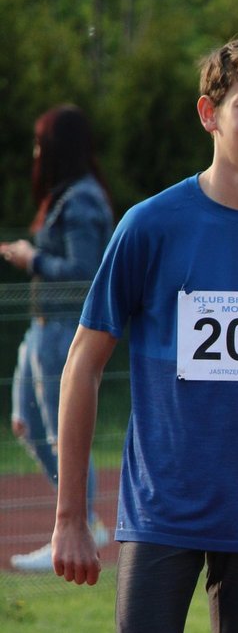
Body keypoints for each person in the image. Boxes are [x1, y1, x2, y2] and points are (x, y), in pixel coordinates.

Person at [52, 38, 238, 633]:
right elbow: (83, 364)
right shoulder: (150, 225)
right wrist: (70, 518)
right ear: (209, 114)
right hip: (164, 509)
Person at [0, 104, 114, 570]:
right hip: (43, 325)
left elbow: (85, 271)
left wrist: (33, 260)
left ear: (58, 147)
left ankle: (78, 524)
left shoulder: (81, 200)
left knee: (61, 431)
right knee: (25, 423)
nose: (35, 153)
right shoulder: (66, 195)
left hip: (66, 327)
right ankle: (80, 520)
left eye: (40, 143)